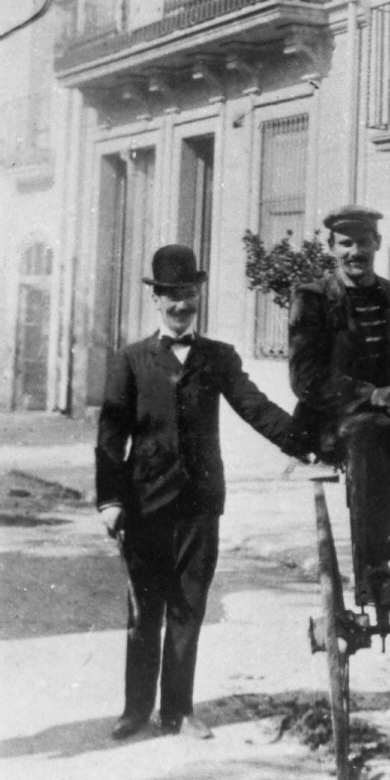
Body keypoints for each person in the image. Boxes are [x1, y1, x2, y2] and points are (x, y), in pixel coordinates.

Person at [96, 245, 307, 740]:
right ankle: (135, 709)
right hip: (144, 505)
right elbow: (111, 436)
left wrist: (306, 442)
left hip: (198, 504)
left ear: (198, 296)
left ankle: (179, 711)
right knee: (144, 612)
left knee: (188, 607)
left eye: (187, 293)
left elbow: (255, 407)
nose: (179, 304)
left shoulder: (217, 358)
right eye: (170, 295)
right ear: (157, 301)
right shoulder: (129, 360)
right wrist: (111, 500)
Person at [288, 204, 390, 605]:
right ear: (331, 248)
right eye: (345, 243)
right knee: (372, 438)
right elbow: (306, 377)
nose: (355, 252)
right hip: (335, 423)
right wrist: (369, 394)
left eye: (363, 242)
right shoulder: (312, 299)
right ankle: (374, 572)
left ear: (377, 244)